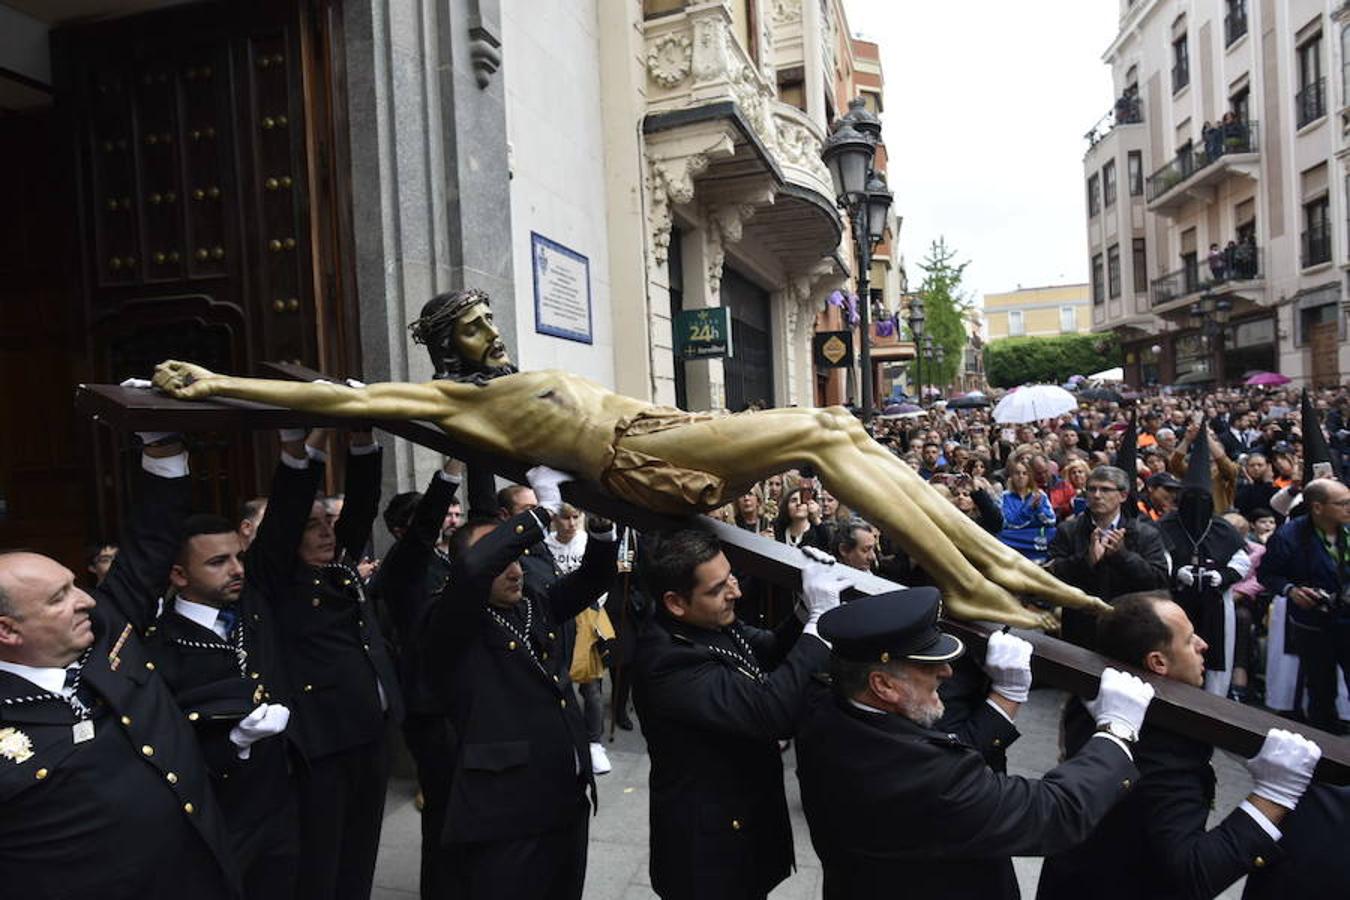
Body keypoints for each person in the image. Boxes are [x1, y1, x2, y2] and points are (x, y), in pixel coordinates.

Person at [152, 289, 1107, 629]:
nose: (489, 333)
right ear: (450, 348)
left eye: (489, 319)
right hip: (633, 464)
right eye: (472, 328)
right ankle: (977, 575)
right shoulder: (456, 399)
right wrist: (223, 383)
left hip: (654, 431)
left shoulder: (512, 375)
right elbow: (336, 396)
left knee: (845, 433)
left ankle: (990, 566)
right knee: (825, 435)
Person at [795, 588, 1156, 900]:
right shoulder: (929, 778)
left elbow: (937, 749)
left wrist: (1004, 696)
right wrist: (1116, 732)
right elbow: (1053, 812)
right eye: (929, 664)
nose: (947, 672)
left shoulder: (823, 709)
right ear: (883, 686)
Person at [0, 435, 241, 898]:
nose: (86, 600)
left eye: (74, 584)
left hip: (201, 875)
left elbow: (149, 546)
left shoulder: (104, 630)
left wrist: (162, 446)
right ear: (9, 632)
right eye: (59, 598)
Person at [1037, 592, 1323, 900]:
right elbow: (1195, 872)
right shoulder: (1162, 749)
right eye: (1188, 641)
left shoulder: (1098, 700)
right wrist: (1273, 796)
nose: (1203, 645)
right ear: (1158, 662)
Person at [426, 465, 616, 899]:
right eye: (503, 562)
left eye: (516, 560)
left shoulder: (533, 600)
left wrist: (601, 525)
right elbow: (476, 565)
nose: (514, 571)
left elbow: (593, 580)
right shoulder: (447, 619)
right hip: (506, 811)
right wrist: (541, 512)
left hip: (563, 796)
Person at [633, 532, 852, 899]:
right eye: (718, 588)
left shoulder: (708, 621)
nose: (735, 592)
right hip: (709, 851)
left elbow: (766, 650)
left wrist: (805, 609)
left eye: (731, 577)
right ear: (675, 602)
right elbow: (770, 712)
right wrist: (820, 622)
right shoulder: (668, 661)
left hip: (743, 824)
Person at [251, 428, 403, 900]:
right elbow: (284, 517)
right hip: (323, 743)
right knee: (322, 862)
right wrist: (301, 447)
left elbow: (362, 504)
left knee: (360, 855)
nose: (325, 533)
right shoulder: (276, 582)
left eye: (326, 523)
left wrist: (361, 436)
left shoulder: (337, 568)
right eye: (310, 524)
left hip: (369, 735)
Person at [146, 508, 299, 900]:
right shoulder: (161, 649)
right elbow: (166, 745)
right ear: (179, 575)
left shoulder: (254, 610)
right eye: (218, 562)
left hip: (280, 801)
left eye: (239, 557)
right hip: (221, 815)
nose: (236, 570)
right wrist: (233, 741)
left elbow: (284, 524)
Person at [370, 458, 463, 900]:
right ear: (401, 531)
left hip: (458, 698)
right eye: (442, 514)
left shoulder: (447, 560)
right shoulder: (403, 567)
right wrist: (450, 469)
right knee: (443, 811)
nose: (448, 519)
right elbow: (427, 527)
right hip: (429, 705)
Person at [1259, 477, 1350, 734]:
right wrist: (1292, 591)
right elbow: (1267, 575)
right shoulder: (1289, 535)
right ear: (1318, 507)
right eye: (1342, 503)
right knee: (1321, 689)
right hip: (1313, 623)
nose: (1348, 507)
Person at [1045, 465, 1170, 649]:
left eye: (1105, 489)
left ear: (1123, 495)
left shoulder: (1145, 533)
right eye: (1092, 489)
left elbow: (1158, 582)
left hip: (1129, 629)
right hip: (1080, 628)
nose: (1096, 495)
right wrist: (1086, 561)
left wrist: (1123, 556)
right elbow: (1051, 578)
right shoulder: (1068, 530)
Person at [546, 502, 613, 776]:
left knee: (591, 684)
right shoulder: (545, 545)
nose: (571, 523)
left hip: (588, 614)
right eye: (565, 518)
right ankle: (566, 742)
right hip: (558, 617)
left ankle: (594, 742)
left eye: (576, 517)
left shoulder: (589, 541)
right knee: (559, 682)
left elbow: (602, 578)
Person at [997, 458, 1057, 562]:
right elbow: (1008, 523)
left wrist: (1039, 510)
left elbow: (1051, 521)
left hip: (1035, 535)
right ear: (1011, 476)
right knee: (1001, 535)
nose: (1021, 477)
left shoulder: (1040, 495)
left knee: (1053, 532)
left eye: (1024, 473)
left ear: (1029, 477)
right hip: (1014, 537)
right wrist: (1029, 510)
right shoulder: (1004, 497)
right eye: (1017, 473)